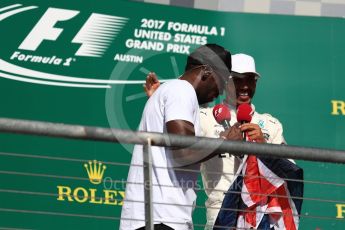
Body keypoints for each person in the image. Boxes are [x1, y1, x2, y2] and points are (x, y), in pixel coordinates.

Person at [144, 53, 287, 229]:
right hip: (219, 216)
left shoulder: (271, 125)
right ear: (225, 82)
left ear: (256, 82)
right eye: (237, 79)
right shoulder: (204, 117)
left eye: (250, 79)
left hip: (261, 219)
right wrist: (159, 100)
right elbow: (178, 141)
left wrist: (263, 146)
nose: (244, 86)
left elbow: (287, 173)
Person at [120, 44, 232, 230]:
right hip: (161, 219)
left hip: (154, 218)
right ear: (206, 71)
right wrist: (225, 143)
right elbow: (184, 151)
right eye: (222, 81)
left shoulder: (171, 91)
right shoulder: (182, 90)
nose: (221, 91)